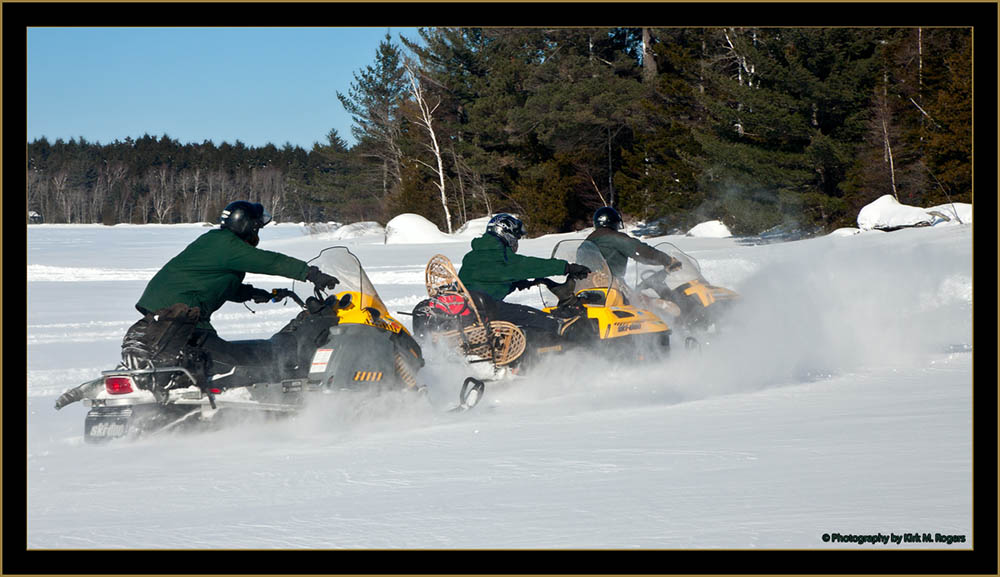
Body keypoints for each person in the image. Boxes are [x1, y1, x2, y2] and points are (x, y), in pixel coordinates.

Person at [121, 200, 340, 386]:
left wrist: (252, 294)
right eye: (256, 228)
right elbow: (268, 261)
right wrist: (310, 273)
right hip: (183, 325)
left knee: (231, 357)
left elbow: (212, 281)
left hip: (168, 323)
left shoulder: (214, 242)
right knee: (245, 363)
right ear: (247, 226)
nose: (257, 233)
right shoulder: (228, 246)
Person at [457, 213, 590, 336]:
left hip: (470, 308)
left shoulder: (474, 255)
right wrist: (567, 267)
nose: (516, 242)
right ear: (505, 234)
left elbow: (487, 279)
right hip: (487, 309)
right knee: (543, 319)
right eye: (515, 238)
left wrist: (521, 283)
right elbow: (529, 265)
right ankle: (567, 350)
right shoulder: (498, 255)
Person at [586, 206, 683, 315]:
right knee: (648, 303)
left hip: (589, 291)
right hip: (612, 287)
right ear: (614, 222)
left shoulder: (587, 242)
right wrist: (668, 261)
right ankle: (670, 325)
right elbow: (642, 251)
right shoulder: (614, 238)